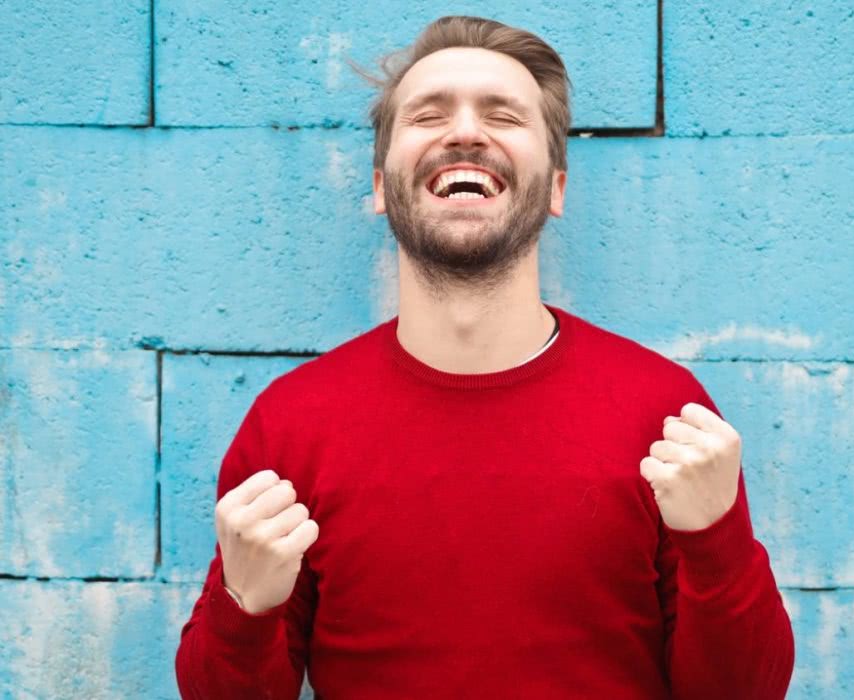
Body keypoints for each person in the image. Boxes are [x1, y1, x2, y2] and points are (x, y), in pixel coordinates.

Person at [175, 15, 794, 699]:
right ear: (382, 187)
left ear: (556, 188)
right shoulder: (289, 427)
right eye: (429, 114)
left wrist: (716, 542)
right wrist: (246, 607)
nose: (466, 132)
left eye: (502, 115)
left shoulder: (666, 416)